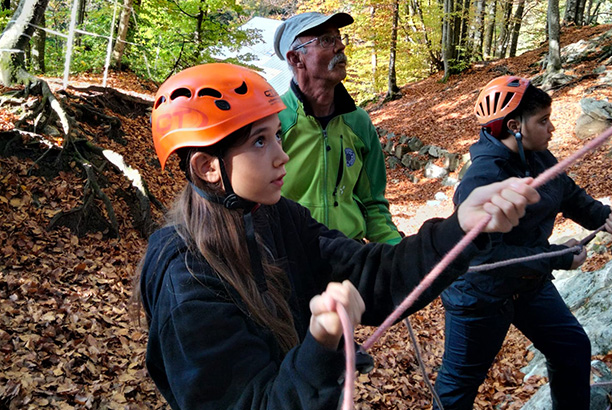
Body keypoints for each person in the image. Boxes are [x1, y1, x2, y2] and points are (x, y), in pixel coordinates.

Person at [139, 64, 539, 410]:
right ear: (208, 167)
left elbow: (370, 271)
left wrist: (461, 228)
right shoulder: (187, 280)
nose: (282, 155)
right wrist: (320, 344)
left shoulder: (277, 216)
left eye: (277, 135)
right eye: (260, 141)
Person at [433, 76, 612, 410]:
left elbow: (571, 197)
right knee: (459, 386)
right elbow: (487, 256)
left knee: (571, 348)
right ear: (515, 125)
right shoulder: (483, 177)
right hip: (479, 294)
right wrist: (558, 256)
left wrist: (605, 217)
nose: (552, 128)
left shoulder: (540, 158)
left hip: (528, 285)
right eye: (543, 120)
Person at [273, 12, 401, 244]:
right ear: (295, 59)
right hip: (291, 258)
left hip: (349, 254)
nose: (340, 46)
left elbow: (373, 205)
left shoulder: (358, 121)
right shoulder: (274, 121)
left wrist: (398, 254)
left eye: (339, 37)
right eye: (326, 40)